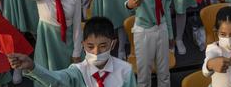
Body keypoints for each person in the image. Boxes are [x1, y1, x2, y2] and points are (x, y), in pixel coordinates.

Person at [8, 17, 137, 87]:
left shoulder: (125, 70)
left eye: (103, 46)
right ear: (83, 45)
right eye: (90, 46)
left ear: (113, 44)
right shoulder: (78, 70)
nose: (96, 52)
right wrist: (32, 67)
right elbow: (55, 80)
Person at [23, 0, 82, 72]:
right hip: (48, 42)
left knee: (69, 74)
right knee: (49, 74)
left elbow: (77, 25)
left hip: (68, 41)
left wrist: (77, 51)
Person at [124, 0, 172, 87]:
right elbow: (130, 2)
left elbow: (167, 11)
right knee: (144, 74)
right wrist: (129, 4)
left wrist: (170, 34)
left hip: (161, 28)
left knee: (164, 72)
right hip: (144, 33)